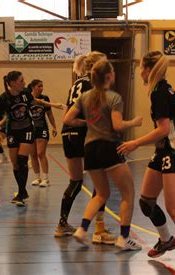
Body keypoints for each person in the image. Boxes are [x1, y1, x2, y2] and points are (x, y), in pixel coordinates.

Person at [117, 51, 175, 274]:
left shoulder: (161, 92)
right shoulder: (159, 89)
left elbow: (164, 129)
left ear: (148, 69)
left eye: (142, 67)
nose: (140, 71)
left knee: (174, 208)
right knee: (147, 202)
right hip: (163, 150)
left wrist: (135, 143)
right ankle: (166, 239)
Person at [65, 59, 143, 250]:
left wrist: (87, 124)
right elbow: (117, 125)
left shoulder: (85, 97)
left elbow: (68, 119)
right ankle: (124, 238)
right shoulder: (114, 97)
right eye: (113, 72)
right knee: (128, 193)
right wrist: (133, 122)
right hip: (108, 147)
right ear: (108, 76)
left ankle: (82, 230)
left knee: (101, 194)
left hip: (90, 149)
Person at [54, 51, 115, 245]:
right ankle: (99, 229)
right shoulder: (94, 85)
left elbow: (68, 112)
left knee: (75, 181)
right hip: (84, 135)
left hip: (67, 134)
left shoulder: (76, 83)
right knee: (101, 183)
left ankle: (62, 224)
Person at [0, 71, 64, 207]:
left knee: (22, 160)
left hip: (27, 130)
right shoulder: (3, 98)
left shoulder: (25, 93)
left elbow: (37, 101)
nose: (24, 83)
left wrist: (54, 105)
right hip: (13, 132)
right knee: (15, 164)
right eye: (21, 81)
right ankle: (23, 191)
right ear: (12, 83)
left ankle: (20, 193)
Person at [27, 79, 58, 187]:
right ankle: (37, 177)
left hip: (42, 128)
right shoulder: (27, 99)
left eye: (42, 86)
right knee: (33, 154)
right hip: (31, 129)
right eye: (39, 86)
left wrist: (54, 126)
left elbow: (49, 114)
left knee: (41, 153)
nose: (41, 88)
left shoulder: (45, 99)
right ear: (33, 87)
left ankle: (46, 178)